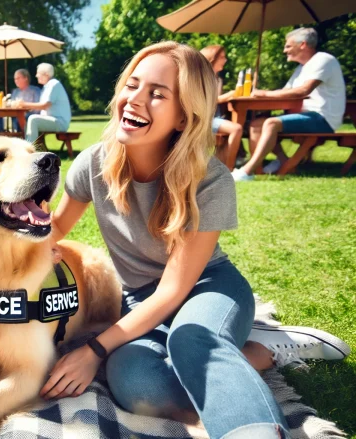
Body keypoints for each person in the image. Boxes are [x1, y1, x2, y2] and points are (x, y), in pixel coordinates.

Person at [37, 42, 350, 439]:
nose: (134, 100)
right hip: (138, 299)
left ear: (184, 117)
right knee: (135, 384)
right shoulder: (93, 164)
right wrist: (26, 237)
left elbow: (172, 290)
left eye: (157, 94)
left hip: (207, 288)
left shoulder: (210, 181)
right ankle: (259, 353)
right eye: (132, 85)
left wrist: (93, 350)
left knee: (191, 339)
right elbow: (56, 226)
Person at [233, 28, 346, 181]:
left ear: (303, 44)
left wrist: (265, 94)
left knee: (272, 123)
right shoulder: (301, 68)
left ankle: (247, 171)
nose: (284, 50)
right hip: (303, 114)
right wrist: (260, 94)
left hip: (323, 118)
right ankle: (279, 163)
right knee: (257, 124)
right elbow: (285, 92)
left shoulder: (323, 60)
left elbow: (303, 91)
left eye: (288, 46)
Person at [200, 45, 243, 170]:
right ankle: (229, 168)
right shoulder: (202, 77)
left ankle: (221, 168)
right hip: (204, 118)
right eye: (222, 57)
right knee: (236, 129)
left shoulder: (217, 78)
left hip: (215, 118)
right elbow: (208, 101)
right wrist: (228, 95)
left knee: (228, 135)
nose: (225, 60)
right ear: (212, 58)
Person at [15, 63, 71, 144]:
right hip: (53, 120)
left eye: (38, 73)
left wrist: (24, 104)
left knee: (33, 119)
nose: (36, 75)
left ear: (46, 74)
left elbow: (45, 105)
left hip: (60, 122)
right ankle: (28, 145)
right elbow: (42, 105)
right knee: (27, 120)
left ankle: (30, 148)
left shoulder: (53, 84)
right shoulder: (47, 86)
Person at [10, 68, 41, 132]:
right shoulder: (15, 92)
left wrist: (25, 107)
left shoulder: (35, 90)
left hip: (31, 117)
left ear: (26, 78)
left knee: (20, 120)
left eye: (18, 78)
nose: (16, 81)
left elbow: (38, 108)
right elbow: (11, 105)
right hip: (17, 116)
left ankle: (23, 138)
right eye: (15, 79)